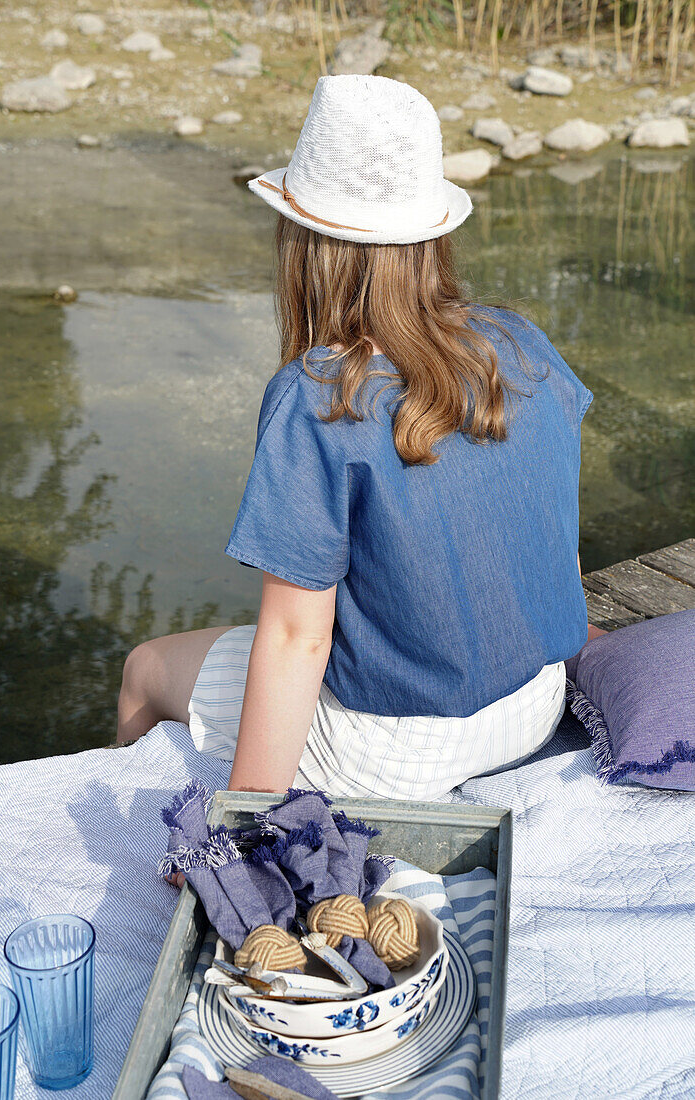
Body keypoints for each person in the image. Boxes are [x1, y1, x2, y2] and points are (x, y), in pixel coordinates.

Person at [117, 74, 603, 802]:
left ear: (305, 245)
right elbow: (551, 529)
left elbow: (295, 638)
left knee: (147, 666)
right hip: (532, 705)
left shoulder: (319, 394)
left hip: (391, 750)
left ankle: (130, 800)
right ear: (432, 229)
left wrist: (245, 824)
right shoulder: (522, 342)